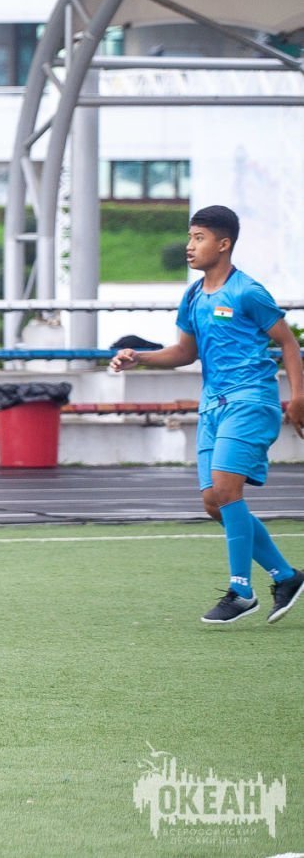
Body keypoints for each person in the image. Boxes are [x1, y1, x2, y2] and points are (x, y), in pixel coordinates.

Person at [111, 205, 304, 624]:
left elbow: (288, 344)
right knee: (214, 503)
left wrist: (298, 397)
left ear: (223, 244)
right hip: (213, 406)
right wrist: (138, 357)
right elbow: (185, 352)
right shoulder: (194, 295)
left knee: (227, 491)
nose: (189, 245)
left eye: (199, 238)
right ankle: (286, 575)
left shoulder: (248, 292)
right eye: (189, 237)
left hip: (250, 401)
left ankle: (241, 590)